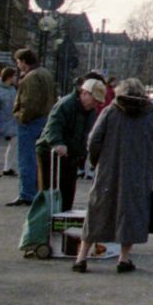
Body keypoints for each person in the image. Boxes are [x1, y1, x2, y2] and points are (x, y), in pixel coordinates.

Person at [75, 79, 153, 274]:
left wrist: (96, 161)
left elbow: (94, 139)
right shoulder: (152, 114)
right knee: (131, 213)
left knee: (97, 211)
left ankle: (81, 258)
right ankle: (124, 259)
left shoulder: (111, 111)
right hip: (140, 173)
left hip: (108, 170)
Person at [38, 77, 109, 211]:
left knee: (68, 192)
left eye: (98, 102)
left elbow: (88, 133)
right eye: (94, 100)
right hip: (50, 152)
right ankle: (46, 219)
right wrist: (57, 143)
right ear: (84, 93)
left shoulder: (91, 111)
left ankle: (63, 217)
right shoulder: (66, 104)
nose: (95, 104)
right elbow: (53, 126)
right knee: (50, 193)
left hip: (71, 154)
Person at [8, 48, 57, 206]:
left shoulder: (30, 77)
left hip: (31, 122)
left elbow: (29, 102)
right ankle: (37, 191)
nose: (18, 65)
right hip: (44, 119)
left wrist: (21, 117)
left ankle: (27, 194)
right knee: (38, 160)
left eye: (18, 62)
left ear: (24, 61)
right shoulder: (46, 74)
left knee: (26, 159)